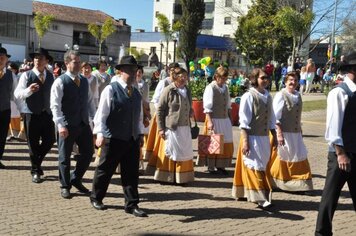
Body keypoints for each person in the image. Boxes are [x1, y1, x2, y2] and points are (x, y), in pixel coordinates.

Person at [90, 55, 147, 217]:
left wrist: (140, 133)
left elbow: (139, 116)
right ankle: (96, 197)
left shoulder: (136, 92)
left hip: (131, 138)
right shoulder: (111, 89)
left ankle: (132, 204)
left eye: (135, 70)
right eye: (130, 70)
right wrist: (99, 134)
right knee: (105, 170)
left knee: (131, 172)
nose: (134, 73)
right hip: (113, 138)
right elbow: (101, 114)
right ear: (121, 71)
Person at [315, 51, 356, 236]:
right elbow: (333, 127)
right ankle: (322, 233)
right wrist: (340, 153)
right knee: (330, 197)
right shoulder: (339, 93)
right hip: (341, 154)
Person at [50, 50, 95, 199]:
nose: (79, 65)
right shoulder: (60, 81)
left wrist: (92, 120)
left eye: (79, 62)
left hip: (83, 124)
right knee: (64, 157)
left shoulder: (84, 81)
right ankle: (65, 185)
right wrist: (60, 125)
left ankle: (75, 178)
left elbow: (89, 102)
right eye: (75, 62)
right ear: (67, 63)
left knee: (88, 153)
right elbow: (55, 105)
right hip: (67, 125)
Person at [232, 68, 277, 209]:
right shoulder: (248, 96)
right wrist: (245, 141)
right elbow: (244, 122)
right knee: (253, 166)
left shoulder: (268, 96)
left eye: (266, 78)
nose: (265, 80)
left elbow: (271, 119)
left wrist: (274, 136)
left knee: (262, 166)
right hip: (252, 138)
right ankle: (259, 198)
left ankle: (254, 193)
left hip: (263, 138)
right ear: (254, 79)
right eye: (262, 78)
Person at [14, 48, 56, 183]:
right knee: (32, 143)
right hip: (31, 113)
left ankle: (36, 163)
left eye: (41, 58)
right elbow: (17, 94)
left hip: (47, 113)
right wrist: (28, 91)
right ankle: (35, 170)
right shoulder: (26, 75)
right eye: (36, 58)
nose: (38, 60)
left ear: (47, 61)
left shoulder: (51, 76)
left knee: (50, 140)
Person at [270, 72, 313, 192]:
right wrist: (279, 134)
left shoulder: (298, 95)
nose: (293, 83)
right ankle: (279, 182)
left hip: (296, 133)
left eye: (295, 80)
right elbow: (275, 117)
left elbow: (297, 117)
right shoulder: (281, 95)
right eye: (290, 80)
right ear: (285, 82)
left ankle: (301, 184)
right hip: (285, 133)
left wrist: (300, 131)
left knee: (299, 155)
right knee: (284, 155)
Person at [153, 67, 195, 184]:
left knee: (184, 152)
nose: (184, 79)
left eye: (186, 77)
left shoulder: (187, 90)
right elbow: (160, 110)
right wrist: (161, 128)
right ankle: (167, 177)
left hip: (185, 126)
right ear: (176, 77)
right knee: (171, 151)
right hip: (172, 126)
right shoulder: (169, 90)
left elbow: (189, 105)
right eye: (182, 77)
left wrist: (191, 111)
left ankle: (181, 177)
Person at [197, 66, 234, 175]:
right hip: (214, 119)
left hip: (224, 119)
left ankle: (221, 165)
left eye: (225, 78)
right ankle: (211, 165)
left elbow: (228, 105)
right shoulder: (211, 88)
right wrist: (209, 121)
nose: (223, 80)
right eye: (221, 78)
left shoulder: (225, 88)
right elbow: (207, 107)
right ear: (216, 77)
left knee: (225, 141)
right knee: (213, 142)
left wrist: (230, 118)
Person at [145, 62, 180, 173]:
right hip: (162, 115)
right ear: (169, 71)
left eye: (177, 70)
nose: (174, 72)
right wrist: (162, 111)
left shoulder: (179, 83)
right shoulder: (163, 82)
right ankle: (157, 160)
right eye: (173, 70)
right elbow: (155, 99)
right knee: (160, 139)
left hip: (173, 116)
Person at [0, 47, 18, 169]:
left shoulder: (11, 75)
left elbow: (14, 94)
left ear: (7, 60)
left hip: (4, 110)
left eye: (3, 57)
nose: (1, 59)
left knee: (1, 137)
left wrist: (20, 109)